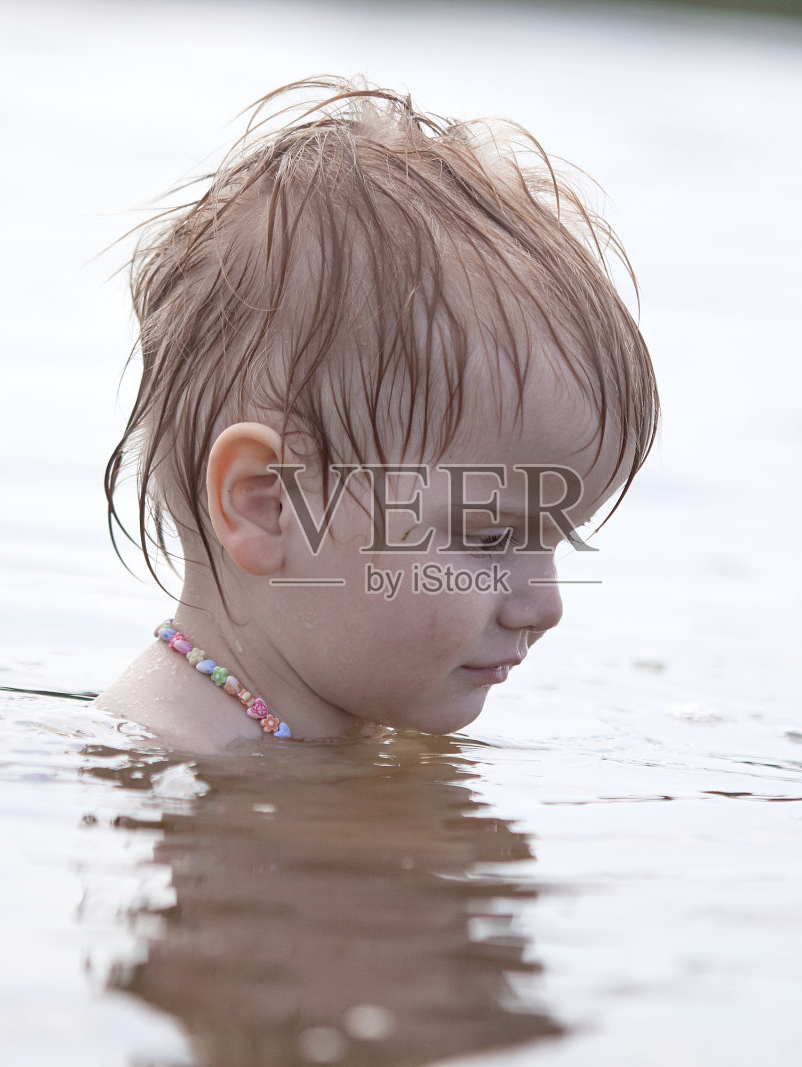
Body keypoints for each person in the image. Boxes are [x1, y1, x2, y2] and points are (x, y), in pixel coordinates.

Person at [94, 76, 659, 750]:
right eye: (490, 540)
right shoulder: (187, 758)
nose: (548, 605)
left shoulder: (326, 729)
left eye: (557, 539)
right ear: (267, 503)